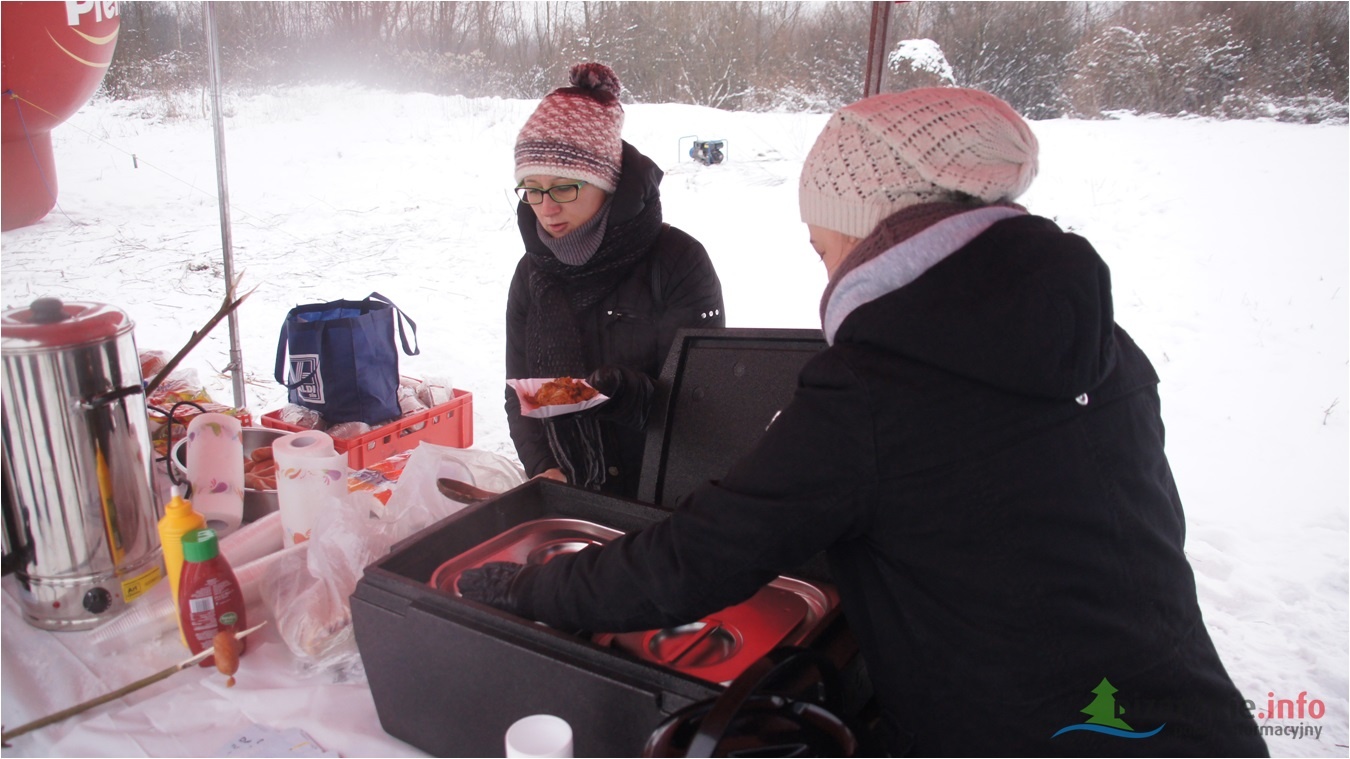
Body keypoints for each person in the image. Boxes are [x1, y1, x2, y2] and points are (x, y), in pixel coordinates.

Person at [467, 88, 1268, 755]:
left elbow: (697, 559)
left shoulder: (875, 387)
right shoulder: (1101, 342)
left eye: (821, 249)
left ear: (869, 230)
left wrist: (541, 587)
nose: (825, 270)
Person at [504, 63, 725, 499]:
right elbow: (522, 396)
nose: (544, 208)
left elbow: (705, 406)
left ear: (607, 183)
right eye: (531, 187)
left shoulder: (678, 262)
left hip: (662, 497)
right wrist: (544, 468)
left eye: (564, 187)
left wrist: (629, 396)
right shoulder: (532, 273)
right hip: (572, 488)